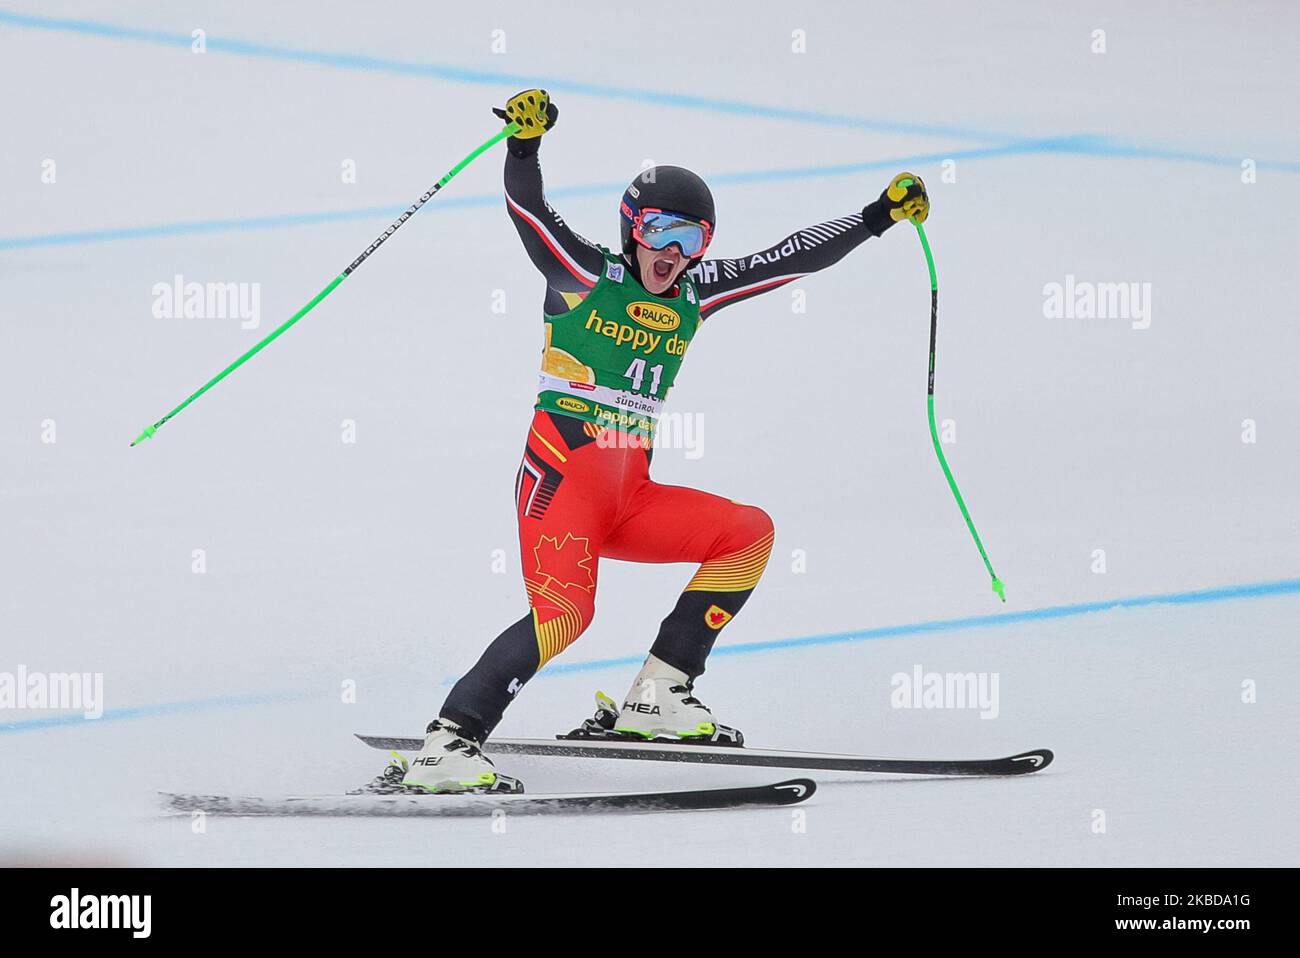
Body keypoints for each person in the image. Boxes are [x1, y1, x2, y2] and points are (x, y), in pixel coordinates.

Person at [401, 89, 929, 793]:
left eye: (692, 240)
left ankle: (659, 694)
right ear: (631, 229)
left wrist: (877, 217)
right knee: (566, 615)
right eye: (660, 232)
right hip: (561, 484)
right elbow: (529, 210)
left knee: (746, 533)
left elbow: (790, 258)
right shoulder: (586, 273)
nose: (674, 253)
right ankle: (448, 742)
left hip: (628, 497)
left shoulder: (694, 294)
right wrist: (524, 145)